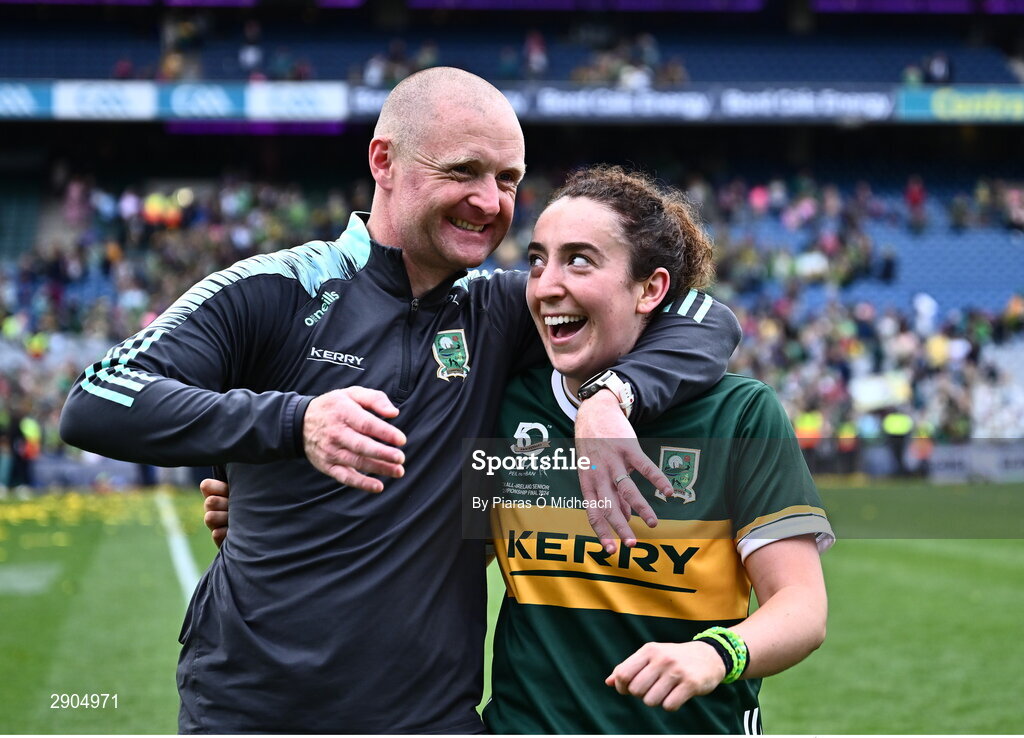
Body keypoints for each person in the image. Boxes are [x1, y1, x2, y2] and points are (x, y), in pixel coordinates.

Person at [60, 69, 740, 734]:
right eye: (463, 171)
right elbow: (95, 399)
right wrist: (293, 422)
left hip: (431, 719)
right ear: (384, 161)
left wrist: (609, 399)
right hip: (252, 712)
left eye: (507, 180)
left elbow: (704, 316)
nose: (489, 200)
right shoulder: (278, 289)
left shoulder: (501, 311)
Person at [480, 166, 833, 733]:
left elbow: (802, 608)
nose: (546, 285)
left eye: (579, 260)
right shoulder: (508, 406)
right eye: (538, 259)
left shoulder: (738, 414)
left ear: (651, 289)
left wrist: (716, 654)